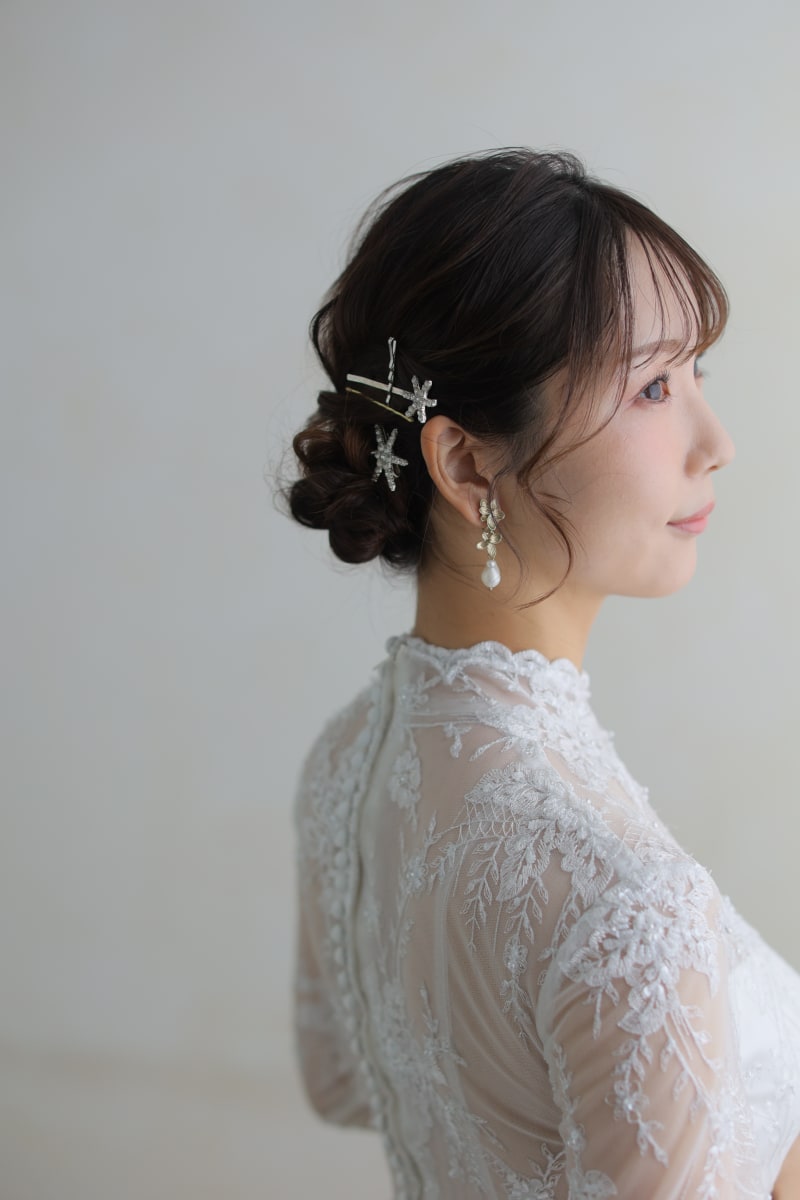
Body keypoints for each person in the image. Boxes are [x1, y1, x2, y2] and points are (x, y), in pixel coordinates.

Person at [283, 149, 800, 1198]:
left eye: (696, 376)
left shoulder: (343, 765)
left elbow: (344, 1080)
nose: (714, 442)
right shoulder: (631, 906)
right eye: (652, 386)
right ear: (468, 464)